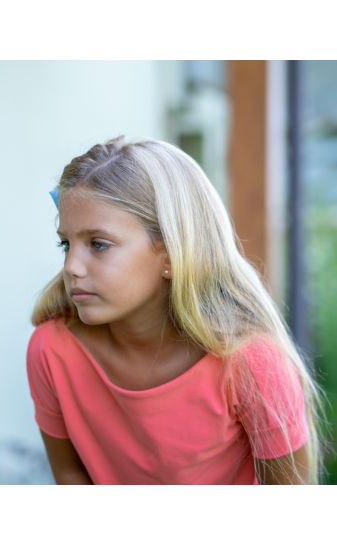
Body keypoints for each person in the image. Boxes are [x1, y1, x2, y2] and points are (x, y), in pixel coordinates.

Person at [26, 135, 329, 485]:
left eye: (99, 244)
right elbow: (69, 475)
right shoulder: (51, 350)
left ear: (171, 253)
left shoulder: (251, 363)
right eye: (67, 243)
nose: (71, 266)